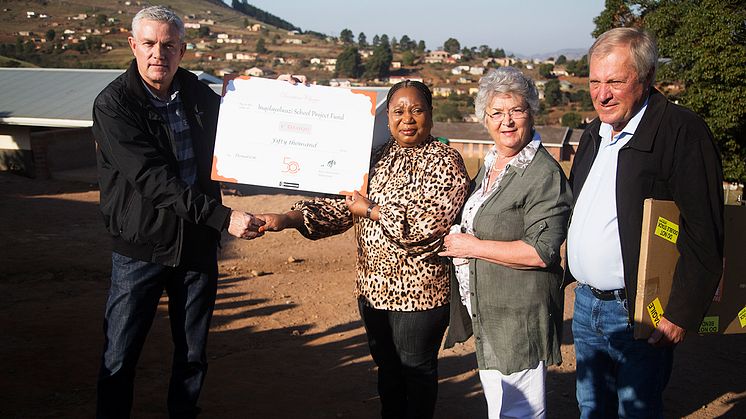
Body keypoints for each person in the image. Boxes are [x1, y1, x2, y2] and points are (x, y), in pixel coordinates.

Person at [256, 80, 470, 419]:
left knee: (416, 371)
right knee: (387, 372)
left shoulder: (446, 162)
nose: (407, 118)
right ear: (386, 118)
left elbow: (428, 227)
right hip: (372, 292)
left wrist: (372, 210)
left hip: (420, 297)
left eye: (416, 110)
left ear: (430, 114)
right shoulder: (374, 159)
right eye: (398, 111)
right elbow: (340, 208)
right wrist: (288, 218)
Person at [92, 6, 267, 418]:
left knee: (192, 353)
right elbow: (153, 181)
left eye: (168, 45)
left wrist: (280, 95)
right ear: (133, 45)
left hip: (196, 246)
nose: (159, 54)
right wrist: (225, 218)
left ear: (182, 50)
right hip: (141, 248)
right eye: (150, 44)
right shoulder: (114, 105)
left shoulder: (193, 91)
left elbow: (243, 122)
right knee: (120, 354)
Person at [566, 27, 724, 418]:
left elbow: (704, 231)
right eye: (595, 82)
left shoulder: (681, 132)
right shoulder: (593, 134)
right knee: (591, 409)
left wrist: (679, 314)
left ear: (648, 77)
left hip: (639, 311)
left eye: (616, 82)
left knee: (636, 411)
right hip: (586, 305)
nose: (602, 94)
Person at [439, 67, 572, 418]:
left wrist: (472, 247)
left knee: (520, 412)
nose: (507, 121)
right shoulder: (492, 163)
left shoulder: (543, 174)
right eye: (497, 113)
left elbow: (541, 252)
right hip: (488, 311)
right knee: (500, 408)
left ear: (531, 113)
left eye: (516, 110)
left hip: (518, 315)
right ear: (485, 119)